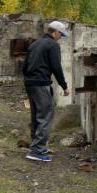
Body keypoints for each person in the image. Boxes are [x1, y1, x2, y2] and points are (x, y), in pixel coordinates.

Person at [21, 19, 70, 163]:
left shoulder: (34, 43)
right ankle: (36, 150)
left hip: (30, 82)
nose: (61, 37)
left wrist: (29, 79)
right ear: (55, 32)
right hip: (41, 83)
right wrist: (64, 86)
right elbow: (56, 67)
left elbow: (24, 66)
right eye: (61, 34)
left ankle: (38, 147)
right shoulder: (52, 45)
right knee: (47, 114)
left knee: (36, 114)